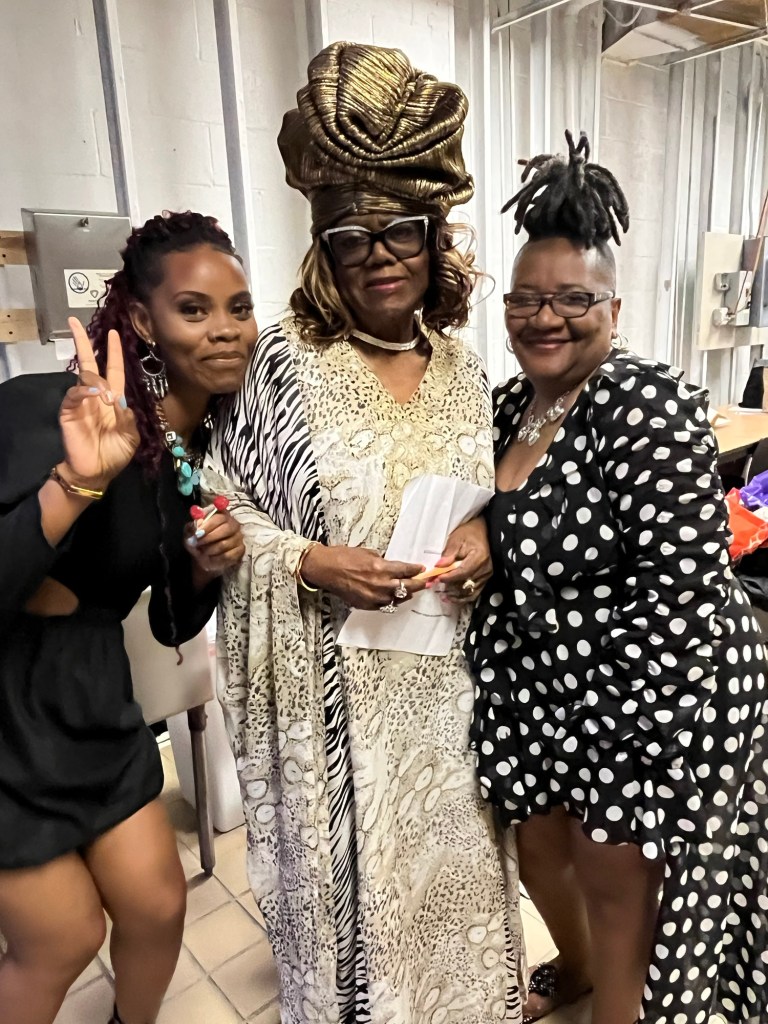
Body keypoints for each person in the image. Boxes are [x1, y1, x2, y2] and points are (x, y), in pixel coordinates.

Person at [206, 41, 523, 1024]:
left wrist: (485, 543)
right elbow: (221, 506)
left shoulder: (465, 368)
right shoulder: (284, 365)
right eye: (352, 237)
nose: (380, 255)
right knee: (364, 945)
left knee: (457, 915)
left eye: (401, 232)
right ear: (324, 250)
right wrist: (311, 561)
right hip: (335, 714)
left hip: (451, 704)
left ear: (435, 239)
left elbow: (486, 501)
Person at [465, 129, 768, 1024]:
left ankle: (619, 1005)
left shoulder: (643, 402)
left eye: (573, 299)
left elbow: (681, 601)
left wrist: (616, 748)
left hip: (651, 688)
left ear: (615, 306)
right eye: (526, 299)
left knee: (614, 876)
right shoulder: (511, 405)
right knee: (538, 846)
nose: (546, 317)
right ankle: (582, 965)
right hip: (548, 685)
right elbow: (503, 519)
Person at [0, 211, 255, 1024]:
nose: (225, 329)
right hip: (6, 711)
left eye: (239, 308)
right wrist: (75, 485)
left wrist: (201, 566)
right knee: (62, 938)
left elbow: (172, 627)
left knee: (157, 905)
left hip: (93, 700)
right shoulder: (45, 409)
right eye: (194, 309)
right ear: (142, 320)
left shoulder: (186, 460)